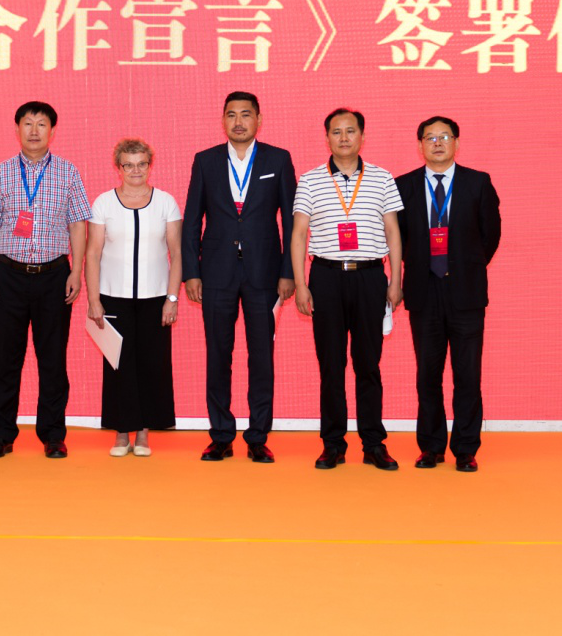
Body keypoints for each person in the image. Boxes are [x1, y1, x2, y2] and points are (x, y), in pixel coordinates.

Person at [182, 92, 296, 463]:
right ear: (223, 121)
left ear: (258, 119)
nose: (238, 122)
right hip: (216, 272)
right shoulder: (206, 160)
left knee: (262, 357)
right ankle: (221, 435)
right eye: (231, 115)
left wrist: (288, 272)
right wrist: (191, 272)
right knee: (218, 355)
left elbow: (291, 222)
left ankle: (258, 436)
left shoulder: (278, 159)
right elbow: (192, 220)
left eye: (246, 115)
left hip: (266, 273)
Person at [0, 101, 92, 459]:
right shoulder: (1, 173)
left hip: (54, 276)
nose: (34, 130)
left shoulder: (68, 172)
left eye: (41, 124)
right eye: (28, 123)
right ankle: (2, 435)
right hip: (8, 276)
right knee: (5, 360)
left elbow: (78, 224)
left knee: (52, 359)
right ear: (17, 129)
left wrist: (76, 271)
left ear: (52, 131)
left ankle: (53, 435)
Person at [291, 108, 403, 471]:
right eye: (336, 132)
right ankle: (333, 444)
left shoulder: (382, 178)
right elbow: (298, 234)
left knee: (368, 365)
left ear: (362, 137)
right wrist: (301, 284)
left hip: (370, 277)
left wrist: (396, 280)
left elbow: (392, 231)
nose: (343, 138)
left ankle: (373, 444)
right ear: (327, 138)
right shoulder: (309, 180)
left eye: (350, 131)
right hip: (326, 277)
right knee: (331, 366)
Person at [396, 116, 501, 472]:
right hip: (424, 291)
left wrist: (464, 266)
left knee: (467, 375)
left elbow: (490, 235)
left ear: (457, 142)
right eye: (430, 138)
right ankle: (431, 447)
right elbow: (398, 237)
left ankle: (466, 448)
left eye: (445, 136)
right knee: (428, 374)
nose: (438, 143)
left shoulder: (477, 182)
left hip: (466, 292)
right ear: (420, 145)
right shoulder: (404, 186)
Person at [85, 139, 182, 457]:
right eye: (129, 164)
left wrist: (172, 298)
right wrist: (94, 299)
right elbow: (92, 253)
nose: (136, 170)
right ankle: (121, 432)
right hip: (113, 298)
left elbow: (177, 253)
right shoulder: (103, 203)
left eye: (141, 164)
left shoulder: (166, 202)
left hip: (155, 299)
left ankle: (143, 433)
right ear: (119, 167)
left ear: (149, 165)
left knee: (152, 364)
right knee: (118, 366)